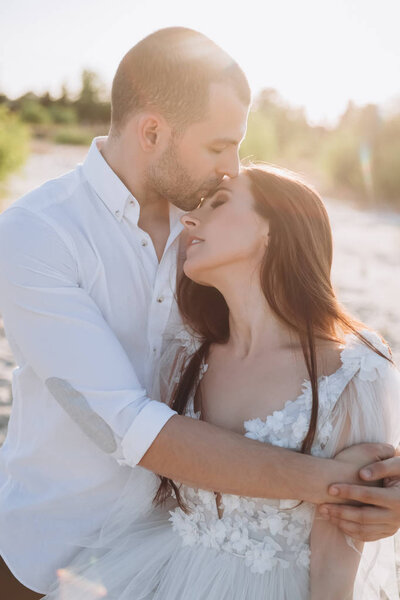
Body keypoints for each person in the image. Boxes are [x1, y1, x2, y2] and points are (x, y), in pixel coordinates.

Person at [0, 27, 398, 599]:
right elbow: (127, 427)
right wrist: (344, 486)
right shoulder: (39, 235)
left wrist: (381, 494)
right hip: (51, 555)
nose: (232, 166)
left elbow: (297, 368)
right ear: (154, 131)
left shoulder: (204, 242)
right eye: (218, 146)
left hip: (175, 549)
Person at [42, 165, 400, 599]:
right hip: (161, 574)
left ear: (273, 229)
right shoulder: (184, 356)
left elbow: (336, 559)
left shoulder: (351, 372)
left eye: (220, 203)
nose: (189, 220)